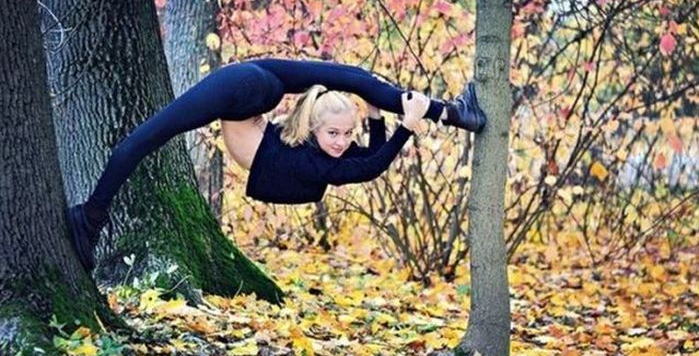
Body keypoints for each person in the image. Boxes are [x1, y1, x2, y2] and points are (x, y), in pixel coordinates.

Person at [66, 58, 486, 271]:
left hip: (249, 89)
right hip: (245, 90)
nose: (342, 143)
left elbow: (368, 163)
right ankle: (451, 113)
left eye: (345, 135)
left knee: (355, 77)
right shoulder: (319, 156)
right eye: (335, 134)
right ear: (318, 129)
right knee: (143, 139)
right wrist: (395, 123)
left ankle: (455, 114)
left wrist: (391, 123)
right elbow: (371, 162)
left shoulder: (322, 160)